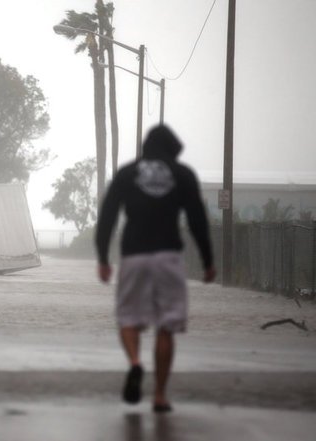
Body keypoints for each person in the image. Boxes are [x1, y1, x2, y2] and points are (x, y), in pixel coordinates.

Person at [95, 125, 216, 413]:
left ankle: (136, 364)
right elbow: (197, 219)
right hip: (168, 255)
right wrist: (208, 260)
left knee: (127, 318)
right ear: (172, 148)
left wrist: (102, 258)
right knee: (166, 325)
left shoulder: (127, 173)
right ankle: (160, 396)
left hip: (134, 254)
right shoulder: (182, 174)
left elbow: (108, 216)